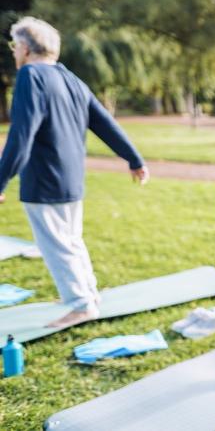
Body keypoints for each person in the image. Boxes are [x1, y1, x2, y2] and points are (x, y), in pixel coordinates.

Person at [0, 17, 149, 328]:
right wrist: (134, 158)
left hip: (43, 180)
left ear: (26, 48)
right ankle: (89, 295)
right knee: (71, 240)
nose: (14, 53)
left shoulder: (31, 76)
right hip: (70, 179)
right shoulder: (69, 77)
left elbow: (21, 136)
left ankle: (81, 304)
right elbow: (104, 121)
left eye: (15, 46)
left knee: (57, 245)